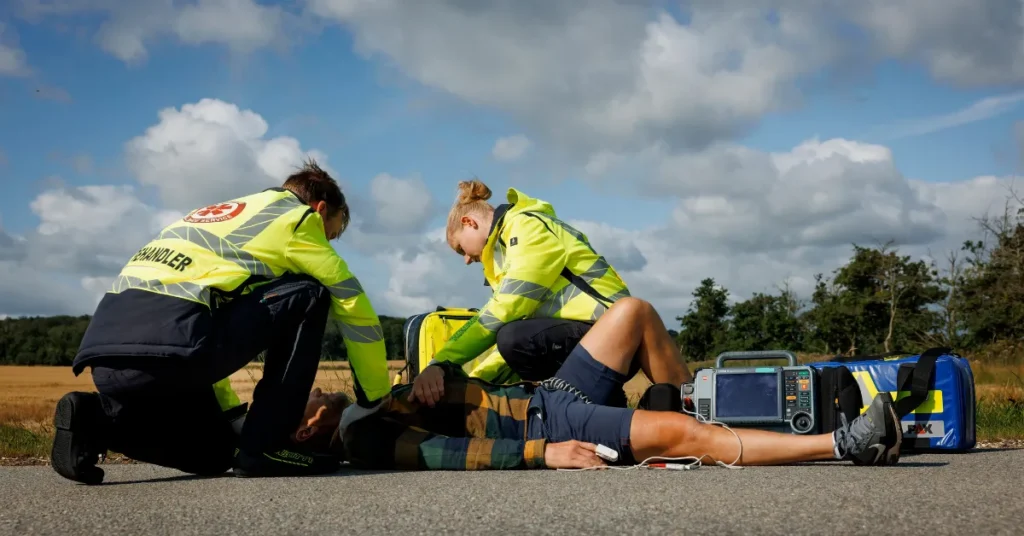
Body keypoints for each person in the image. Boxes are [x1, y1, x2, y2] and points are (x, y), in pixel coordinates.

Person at [50, 158, 393, 485]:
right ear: (320, 210)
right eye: (330, 235)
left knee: (216, 454)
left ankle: (94, 419)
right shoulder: (297, 219)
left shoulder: (208, 217)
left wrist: (231, 416)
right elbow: (353, 305)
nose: (326, 244)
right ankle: (268, 446)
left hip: (109, 361)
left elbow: (209, 312)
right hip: (173, 351)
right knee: (312, 292)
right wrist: (374, 399)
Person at [317, 297, 902, 471]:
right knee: (682, 436)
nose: (319, 393)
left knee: (632, 312)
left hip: (549, 395)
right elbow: (449, 452)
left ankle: (700, 402)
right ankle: (849, 444)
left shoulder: (372, 403)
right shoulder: (363, 437)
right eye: (312, 398)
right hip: (553, 425)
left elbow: (460, 403)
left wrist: (439, 370)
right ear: (308, 424)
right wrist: (544, 454)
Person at [409, 179, 692, 408]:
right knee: (515, 337)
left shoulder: (527, 228)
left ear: (469, 223)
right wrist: (471, 382)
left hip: (613, 336)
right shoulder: (510, 247)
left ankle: (574, 410)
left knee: (516, 338)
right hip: (595, 337)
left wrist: (443, 361)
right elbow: (505, 333)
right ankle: (604, 408)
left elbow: (503, 313)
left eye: (460, 248)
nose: (466, 260)